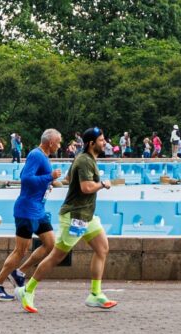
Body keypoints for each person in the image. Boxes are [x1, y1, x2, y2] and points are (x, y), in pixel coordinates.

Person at [23, 127, 115, 310]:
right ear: (91, 143)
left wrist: (53, 181)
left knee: (102, 248)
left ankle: (95, 294)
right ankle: (28, 289)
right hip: (75, 216)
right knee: (57, 256)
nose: (105, 143)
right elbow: (86, 188)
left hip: (87, 216)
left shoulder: (85, 159)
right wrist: (103, 184)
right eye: (102, 140)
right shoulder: (84, 161)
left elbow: (67, 179)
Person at [0, 128, 61, 305]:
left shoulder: (44, 157)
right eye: (58, 142)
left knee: (50, 243)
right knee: (20, 250)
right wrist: (49, 177)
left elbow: (36, 178)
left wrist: (53, 180)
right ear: (51, 142)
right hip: (26, 210)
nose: (60, 145)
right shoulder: (36, 155)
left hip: (39, 211)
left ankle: (19, 272)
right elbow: (26, 179)